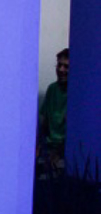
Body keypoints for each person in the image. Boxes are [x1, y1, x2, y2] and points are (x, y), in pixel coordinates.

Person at [38, 47, 69, 176]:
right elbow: (44, 123)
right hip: (48, 147)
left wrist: (58, 154)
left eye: (66, 66)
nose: (61, 70)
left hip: (65, 150)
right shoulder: (52, 89)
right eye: (59, 65)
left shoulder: (76, 94)